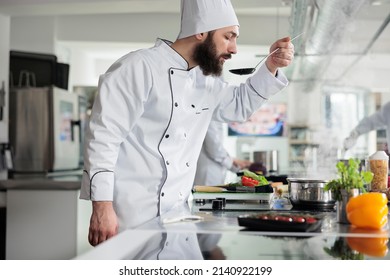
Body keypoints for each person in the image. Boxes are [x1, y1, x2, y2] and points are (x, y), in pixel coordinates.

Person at [80, 0, 294, 246]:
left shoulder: (206, 80)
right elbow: (103, 139)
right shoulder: (138, 67)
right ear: (201, 32)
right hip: (129, 215)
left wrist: (271, 66)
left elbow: (238, 106)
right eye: (229, 37)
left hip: (177, 216)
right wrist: (101, 207)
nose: (234, 49)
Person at [194, 120, 252, 186]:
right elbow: (214, 148)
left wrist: (233, 161)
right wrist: (231, 163)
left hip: (213, 173)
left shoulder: (220, 120)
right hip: (208, 174)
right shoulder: (211, 118)